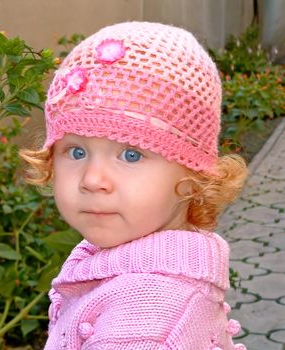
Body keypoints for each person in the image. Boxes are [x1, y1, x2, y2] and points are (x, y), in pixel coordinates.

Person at [20, 22, 248, 350]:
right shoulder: (127, 261)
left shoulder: (145, 323)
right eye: (77, 151)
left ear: (193, 175)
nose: (92, 180)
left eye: (131, 154)